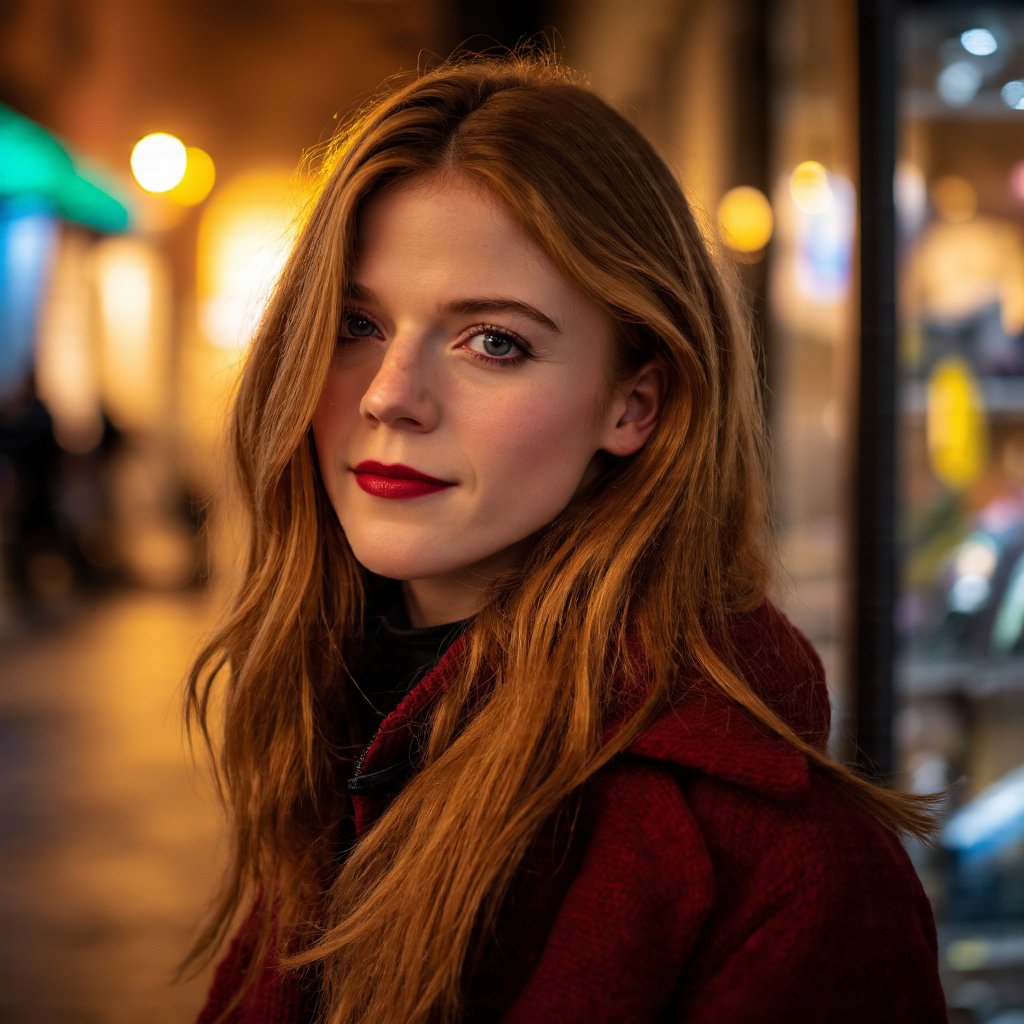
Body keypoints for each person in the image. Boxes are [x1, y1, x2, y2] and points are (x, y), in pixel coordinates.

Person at [186, 54, 946, 1024]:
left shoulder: (781, 867)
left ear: (633, 404)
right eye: (356, 322)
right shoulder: (335, 734)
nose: (389, 396)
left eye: (492, 340)